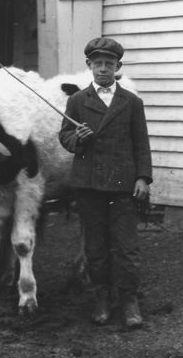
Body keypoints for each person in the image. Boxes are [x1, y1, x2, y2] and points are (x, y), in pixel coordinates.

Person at [59, 36, 153, 329]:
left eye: (109, 64)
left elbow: (141, 144)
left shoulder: (132, 102)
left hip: (123, 185)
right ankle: (101, 298)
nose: (103, 69)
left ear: (117, 67)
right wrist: (79, 139)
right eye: (98, 63)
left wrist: (142, 178)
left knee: (126, 247)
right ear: (89, 66)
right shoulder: (76, 101)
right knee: (96, 247)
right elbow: (65, 137)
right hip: (89, 186)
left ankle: (129, 301)